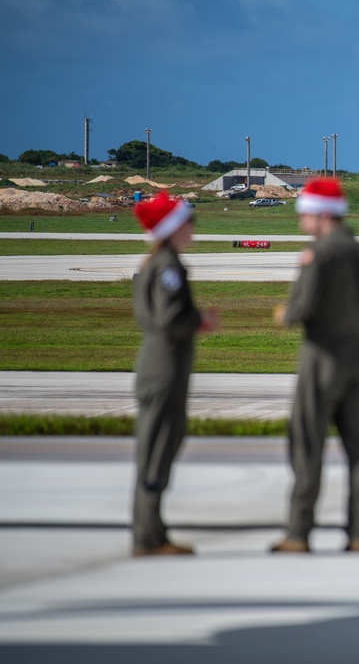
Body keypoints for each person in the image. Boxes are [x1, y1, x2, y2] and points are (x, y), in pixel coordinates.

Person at [271, 177, 359, 553]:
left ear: (323, 216)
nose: (302, 223)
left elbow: (303, 307)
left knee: (307, 445)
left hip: (321, 358)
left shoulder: (319, 255)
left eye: (305, 215)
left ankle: (299, 532)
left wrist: (284, 314)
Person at [131, 192, 220, 555]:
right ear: (173, 228)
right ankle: (149, 536)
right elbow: (169, 319)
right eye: (188, 221)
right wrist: (201, 320)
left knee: (157, 447)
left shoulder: (157, 263)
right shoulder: (167, 266)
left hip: (158, 363)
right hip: (165, 366)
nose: (193, 228)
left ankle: (151, 531)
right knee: (158, 448)